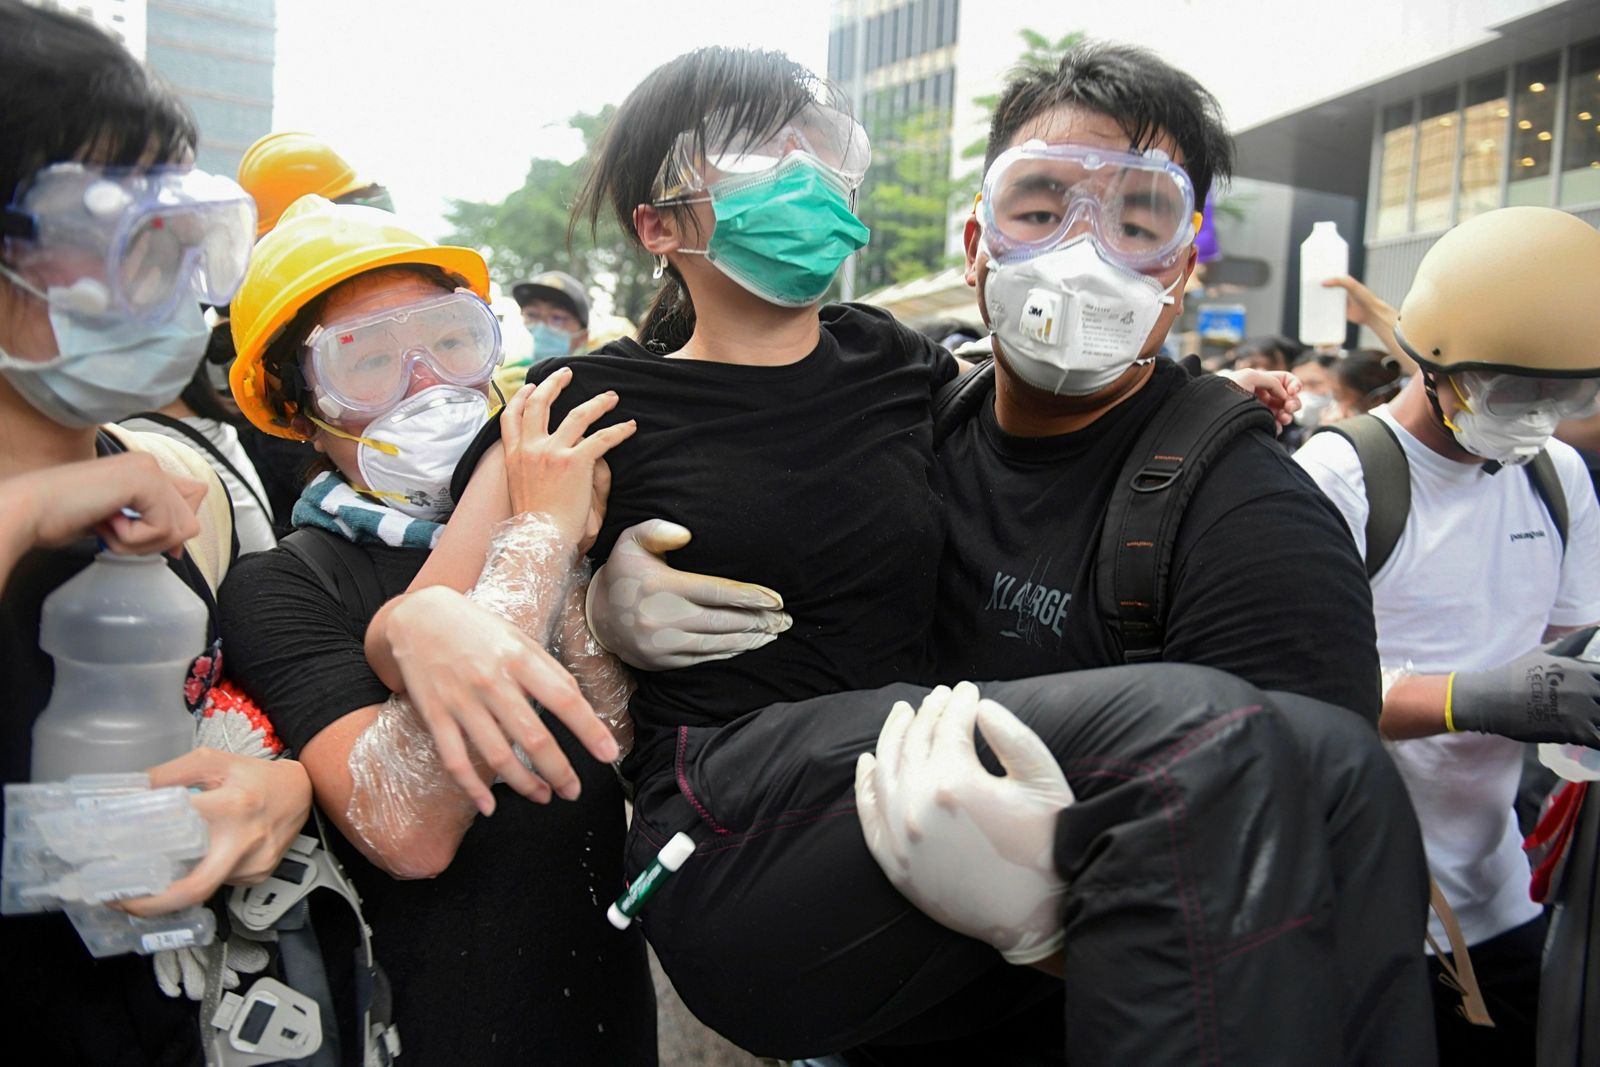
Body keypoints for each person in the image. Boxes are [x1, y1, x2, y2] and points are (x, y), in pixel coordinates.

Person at [369, 44, 1431, 1064]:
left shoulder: (895, 364)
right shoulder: (583, 404)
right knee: (1215, 734)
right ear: (658, 222)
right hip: (725, 817)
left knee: (1339, 771)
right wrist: (552, 606)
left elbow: (1068, 399)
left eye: (815, 144)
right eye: (752, 153)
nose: (797, 174)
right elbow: (421, 617)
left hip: (889, 797)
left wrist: (1210, 396)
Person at [217, 196, 657, 1064]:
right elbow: (407, 829)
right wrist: (529, 525)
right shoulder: (280, 585)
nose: (425, 382)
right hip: (426, 1030)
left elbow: (623, 747)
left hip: (605, 1021)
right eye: (367, 361)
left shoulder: (565, 510)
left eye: (451, 340)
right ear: (300, 410)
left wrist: (564, 547)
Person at [0, 3, 313, 1060]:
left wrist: (278, 790)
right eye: (109, 229)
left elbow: (209, 717)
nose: (170, 276)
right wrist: (26, 510)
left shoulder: (147, 496)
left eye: (178, 231)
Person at [1294, 206, 1600, 1065]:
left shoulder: (1556, 476)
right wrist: (1474, 697)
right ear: (1434, 362)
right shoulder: (1339, 477)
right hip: (1352, 907)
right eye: (1515, 392)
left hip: (1501, 896)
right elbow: (1294, 692)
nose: (1541, 416)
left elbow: (1572, 643)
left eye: (1566, 395)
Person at [515, 269, 591, 359]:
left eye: (557, 318)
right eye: (532, 314)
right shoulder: (507, 366)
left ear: (583, 337)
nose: (541, 328)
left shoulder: (598, 367)